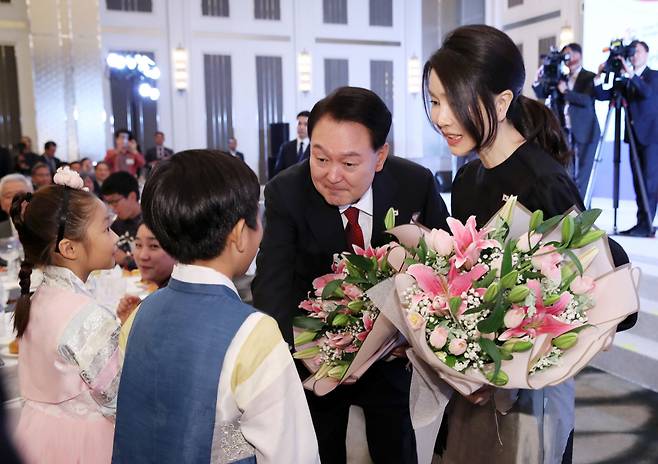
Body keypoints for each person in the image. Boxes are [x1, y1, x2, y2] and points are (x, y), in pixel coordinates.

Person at [424, 24, 631, 464]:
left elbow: (600, 290)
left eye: (455, 102)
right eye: (435, 101)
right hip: (475, 391)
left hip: (533, 398)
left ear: (502, 102)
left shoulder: (543, 182)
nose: (442, 117)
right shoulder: (466, 180)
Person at [252, 86, 450, 463]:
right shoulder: (287, 192)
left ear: (380, 158)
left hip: (391, 358)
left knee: (395, 448)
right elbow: (271, 285)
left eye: (348, 163)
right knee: (319, 450)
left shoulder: (414, 184)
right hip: (315, 357)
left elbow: (443, 269)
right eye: (320, 158)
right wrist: (298, 353)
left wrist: (413, 340)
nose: (331, 175)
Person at [112, 150, 319, 463]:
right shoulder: (253, 332)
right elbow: (291, 453)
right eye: (258, 218)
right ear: (239, 234)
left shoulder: (140, 314)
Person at [10, 168, 121, 463]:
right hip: (85, 444)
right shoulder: (86, 317)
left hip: (37, 436)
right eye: (106, 229)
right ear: (69, 248)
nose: (116, 237)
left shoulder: (36, 301)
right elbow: (117, 399)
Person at [594, 40, 658, 237]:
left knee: (649, 182)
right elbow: (603, 95)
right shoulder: (626, 78)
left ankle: (646, 225)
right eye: (632, 52)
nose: (634, 55)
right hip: (633, 137)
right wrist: (600, 76)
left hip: (651, 137)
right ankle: (641, 223)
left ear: (646, 54)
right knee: (639, 182)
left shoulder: (653, 76)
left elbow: (647, 93)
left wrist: (629, 74)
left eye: (638, 51)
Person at [533, 43, 601, 198]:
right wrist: (538, 79)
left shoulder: (589, 77)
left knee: (582, 174)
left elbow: (586, 100)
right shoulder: (559, 77)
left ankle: (580, 212)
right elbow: (542, 94)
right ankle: (569, 208)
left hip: (586, 131)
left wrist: (566, 91)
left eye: (569, 54)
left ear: (579, 55)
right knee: (566, 171)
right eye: (565, 55)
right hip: (564, 131)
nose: (567, 58)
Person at [115, 222, 176, 324]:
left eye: (154, 246)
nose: (143, 256)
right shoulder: (159, 298)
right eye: (138, 245)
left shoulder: (169, 304)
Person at [101, 171, 142, 269]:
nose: (112, 209)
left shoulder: (152, 223)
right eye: (109, 203)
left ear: (132, 196)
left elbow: (161, 264)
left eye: (115, 202)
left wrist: (126, 260)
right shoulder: (117, 224)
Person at [273, 110, 311, 176]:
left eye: (305, 124)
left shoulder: (315, 148)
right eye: (299, 123)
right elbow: (278, 172)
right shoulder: (285, 147)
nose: (301, 127)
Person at [0, 173, 33, 238]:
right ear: (1, 202)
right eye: (9, 196)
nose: (14, 200)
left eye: (21, 195)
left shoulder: (49, 228)